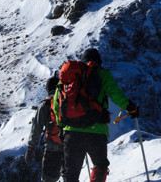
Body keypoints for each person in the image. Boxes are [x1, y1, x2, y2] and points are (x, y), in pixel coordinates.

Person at [53, 48, 138, 182]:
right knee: (100, 165)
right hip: (96, 130)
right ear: (98, 61)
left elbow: (57, 105)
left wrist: (61, 126)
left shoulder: (68, 78)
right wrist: (130, 107)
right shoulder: (102, 74)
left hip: (72, 132)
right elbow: (116, 94)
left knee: (70, 173)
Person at [26, 75, 64, 182]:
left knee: (48, 179)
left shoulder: (46, 104)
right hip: (70, 146)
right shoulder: (68, 101)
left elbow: (36, 128)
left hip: (53, 147)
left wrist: (30, 148)